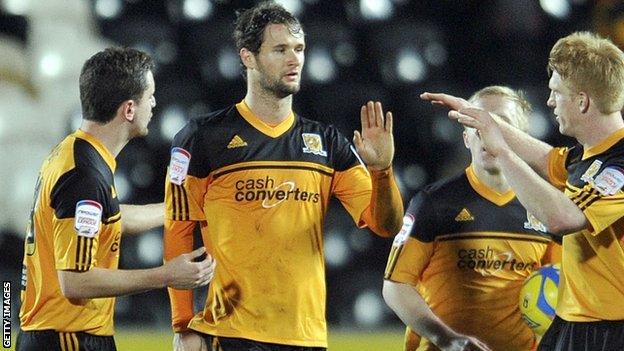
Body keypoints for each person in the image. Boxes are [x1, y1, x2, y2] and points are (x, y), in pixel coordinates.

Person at [163, 1, 404, 350]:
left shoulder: (326, 143)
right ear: (248, 57)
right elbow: (179, 231)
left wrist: (382, 171)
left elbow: (386, 225)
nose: (294, 60)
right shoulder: (203, 137)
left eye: (299, 49)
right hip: (231, 334)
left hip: (305, 336)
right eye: (280, 50)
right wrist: (183, 323)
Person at [421, 32, 624, 351]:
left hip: (609, 331)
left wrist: (500, 151)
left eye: (557, 92)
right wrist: (480, 118)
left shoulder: (619, 166)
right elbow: (545, 157)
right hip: (576, 322)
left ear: (582, 101)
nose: (550, 102)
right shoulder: (587, 156)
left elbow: (563, 217)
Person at [17, 47, 216, 351]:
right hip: (68, 338)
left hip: (57, 335)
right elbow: (75, 282)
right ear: (129, 110)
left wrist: (178, 208)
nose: (154, 103)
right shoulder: (85, 175)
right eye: (149, 95)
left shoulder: (75, 153)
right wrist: (167, 275)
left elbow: (106, 219)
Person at [383, 86, 561, 351]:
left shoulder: (546, 208)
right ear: (466, 138)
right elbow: (395, 286)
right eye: (475, 122)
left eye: (499, 123)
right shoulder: (434, 203)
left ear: (520, 136)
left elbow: (560, 285)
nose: (485, 132)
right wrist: (446, 338)